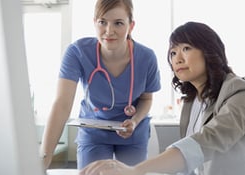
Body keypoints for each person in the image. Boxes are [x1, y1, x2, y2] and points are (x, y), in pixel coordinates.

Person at [79, 21, 245, 175]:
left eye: (186, 48)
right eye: (172, 52)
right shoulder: (191, 101)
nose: (177, 58)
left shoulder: (240, 94)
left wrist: (135, 170)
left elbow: (206, 142)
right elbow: (193, 164)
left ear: (209, 51)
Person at [40, 0, 161, 170]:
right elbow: (62, 104)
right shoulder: (77, 52)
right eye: (102, 22)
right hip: (93, 132)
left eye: (118, 23)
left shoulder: (147, 58)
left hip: (131, 134)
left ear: (131, 26)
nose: (109, 31)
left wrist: (134, 121)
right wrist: (44, 156)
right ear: (94, 22)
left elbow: (147, 99)